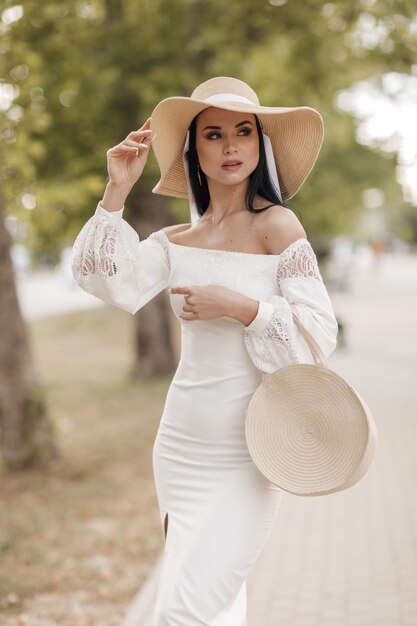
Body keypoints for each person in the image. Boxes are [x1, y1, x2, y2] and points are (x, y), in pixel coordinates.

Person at [71, 76, 338, 625]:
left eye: (244, 131)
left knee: (182, 611)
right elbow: (105, 280)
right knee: (216, 605)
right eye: (214, 134)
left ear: (260, 144)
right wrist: (115, 191)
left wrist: (241, 306)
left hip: (250, 448)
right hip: (180, 446)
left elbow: (318, 336)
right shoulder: (175, 243)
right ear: (196, 149)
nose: (231, 146)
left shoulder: (277, 225)